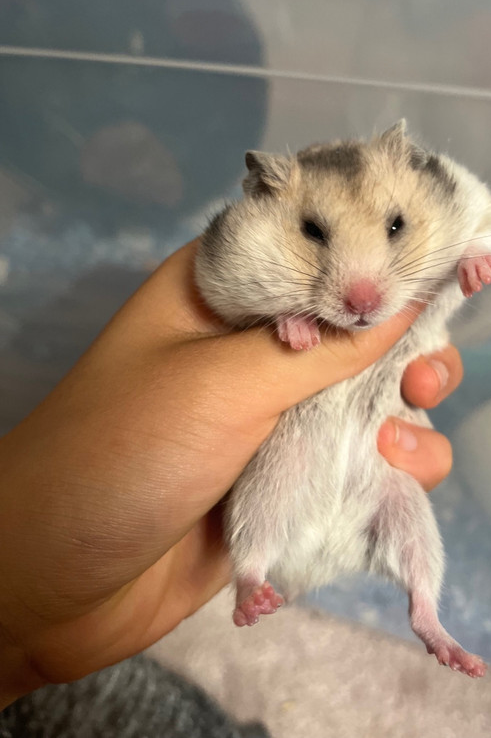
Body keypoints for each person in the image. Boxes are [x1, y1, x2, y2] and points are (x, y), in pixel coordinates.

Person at [0, 241, 463, 712]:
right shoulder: (245, 264)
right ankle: (252, 574)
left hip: (358, 468)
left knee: (402, 491)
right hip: (290, 465)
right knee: (290, 464)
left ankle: (425, 610)